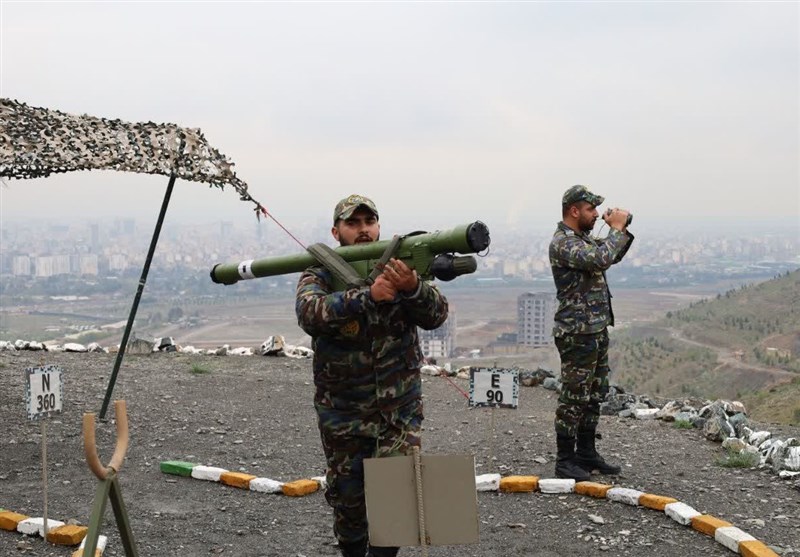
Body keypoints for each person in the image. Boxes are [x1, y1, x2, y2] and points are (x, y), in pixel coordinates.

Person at [295, 194, 449, 557]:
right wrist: (367, 296)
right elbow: (309, 313)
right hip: (344, 415)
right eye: (353, 223)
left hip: (399, 411)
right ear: (337, 231)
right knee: (350, 506)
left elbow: (436, 314)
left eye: (369, 222)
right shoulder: (320, 272)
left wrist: (413, 288)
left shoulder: (400, 267)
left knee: (395, 500)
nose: (363, 231)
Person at [549, 185, 634, 481]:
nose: (596, 214)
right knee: (574, 396)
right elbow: (600, 258)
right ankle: (565, 460)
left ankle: (586, 453)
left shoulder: (582, 240)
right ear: (574, 210)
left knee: (594, 393)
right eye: (590, 209)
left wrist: (622, 229)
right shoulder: (563, 243)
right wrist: (617, 228)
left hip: (595, 328)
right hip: (576, 332)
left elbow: (611, 255)